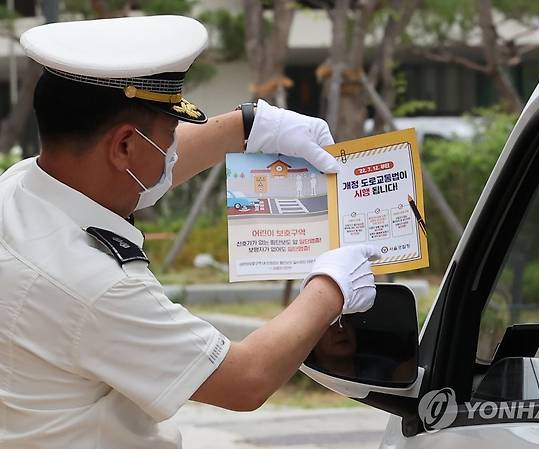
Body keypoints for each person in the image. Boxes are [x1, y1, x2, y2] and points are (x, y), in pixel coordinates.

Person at [0, 15, 380, 449]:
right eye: (170, 135)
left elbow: (127, 172)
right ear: (124, 146)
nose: (176, 147)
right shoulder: (94, 285)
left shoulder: (21, 188)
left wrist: (248, 126)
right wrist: (333, 285)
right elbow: (244, 379)